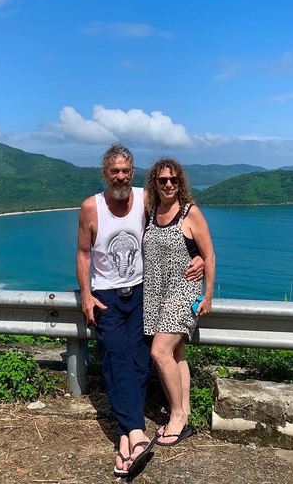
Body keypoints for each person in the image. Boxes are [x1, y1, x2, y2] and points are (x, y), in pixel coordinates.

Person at [76, 145, 203, 476]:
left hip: (143, 292)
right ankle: (135, 432)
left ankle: (123, 439)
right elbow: (84, 252)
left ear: (133, 172)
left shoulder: (146, 199)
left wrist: (199, 255)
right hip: (107, 295)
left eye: (126, 171)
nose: (120, 176)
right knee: (116, 358)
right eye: (114, 171)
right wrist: (86, 294)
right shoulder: (92, 207)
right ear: (105, 173)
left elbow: (174, 225)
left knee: (137, 360)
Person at [143, 158, 216, 447]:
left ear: (180, 181)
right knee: (177, 355)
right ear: (155, 183)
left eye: (173, 179)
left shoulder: (190, 212)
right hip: (156, 293)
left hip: (183, 292)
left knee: (159, 353)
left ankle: (176, 417)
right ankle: (184, 411)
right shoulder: (151, 211)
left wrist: (208, 295)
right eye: (163, 180)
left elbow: (208, 255)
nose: (169, 184)